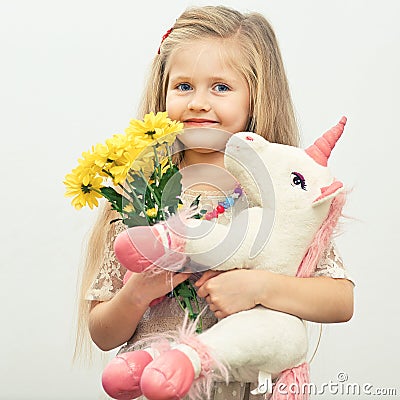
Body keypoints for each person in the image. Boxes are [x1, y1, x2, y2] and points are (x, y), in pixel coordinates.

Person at [75, 5, 354, 400]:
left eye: (220, 87)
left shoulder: (280, 190)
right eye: (183, 86)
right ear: (163, 91)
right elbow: (102, 332)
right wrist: (136, 294)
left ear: (256, 95)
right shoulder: (140, 193)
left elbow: (340, 300)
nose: (198, 103)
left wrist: (258, 287)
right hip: (164, 385)